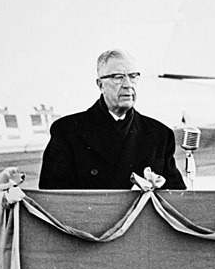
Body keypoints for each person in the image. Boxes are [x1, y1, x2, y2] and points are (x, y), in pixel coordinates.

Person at [39, 49, 186, 190]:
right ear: (100, 85)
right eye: (118, 77)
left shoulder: (160, 135)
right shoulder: (67, 131)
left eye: (133, 76)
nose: (128, 85)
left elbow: (176, 197)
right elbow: (53, 196)